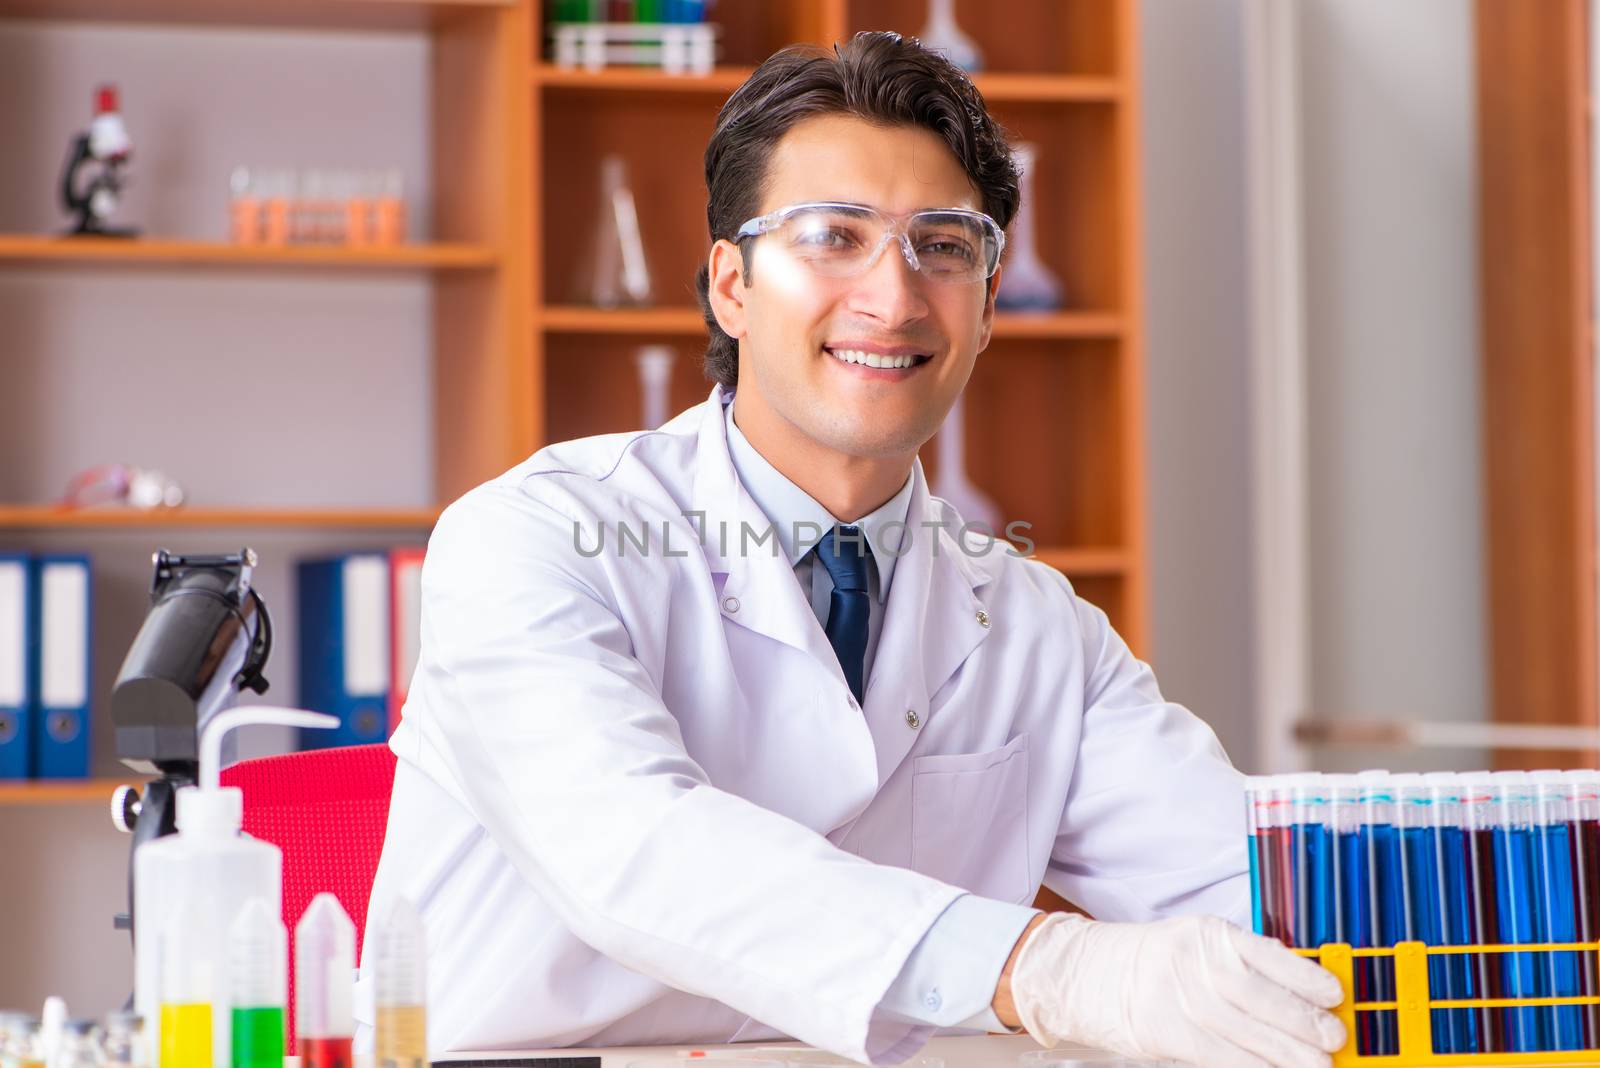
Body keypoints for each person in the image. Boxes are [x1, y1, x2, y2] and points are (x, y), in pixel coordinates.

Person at [355, 31, 1345, 1068]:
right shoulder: (533, 539)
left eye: (946, 246)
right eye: (833, 236)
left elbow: (1253, 883)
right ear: (730, 286)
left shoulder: (1036, 627)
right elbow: (633, 845)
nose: (895, 296)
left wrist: (1482, 899)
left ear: (988, 305)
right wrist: (1039, 967)